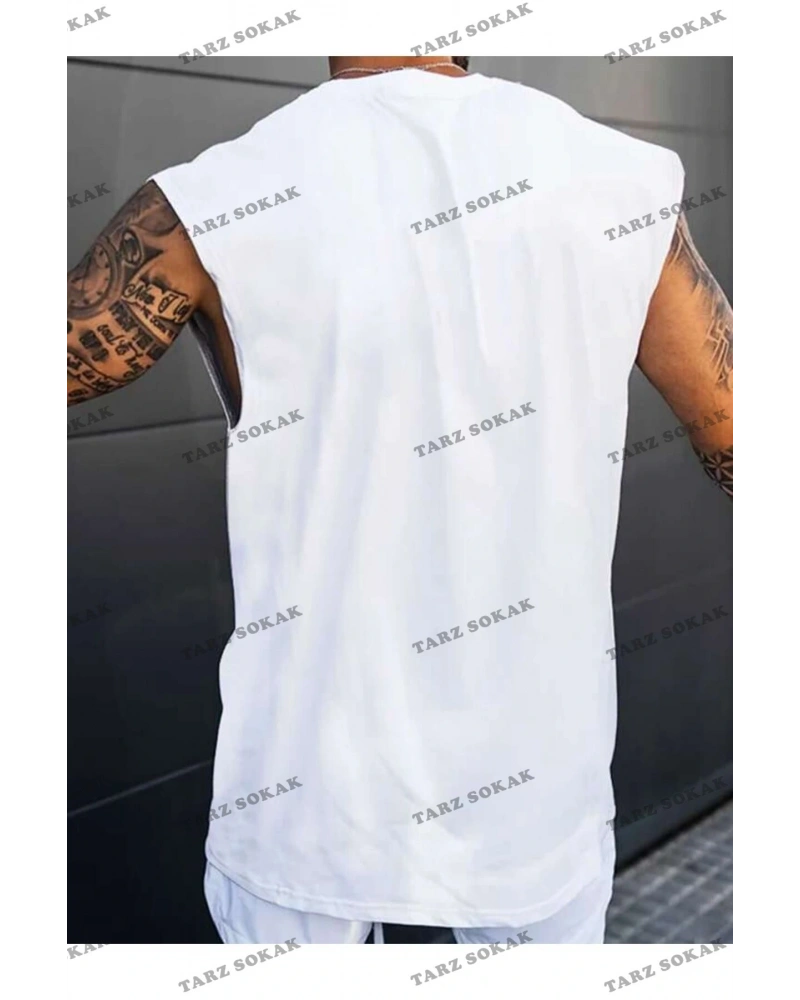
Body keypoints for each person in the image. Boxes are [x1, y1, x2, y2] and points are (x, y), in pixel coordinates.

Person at [64, 54, 734, 945]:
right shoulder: (620, 180)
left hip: (305, 795)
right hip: (540, 787)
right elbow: (738, 429)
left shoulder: (214, 196)